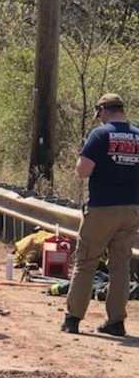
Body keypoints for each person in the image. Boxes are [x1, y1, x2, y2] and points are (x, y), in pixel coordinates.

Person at [61, 93, 139, 337]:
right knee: (120, 265)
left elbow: (83, 171)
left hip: (102, 208)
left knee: (86, 262)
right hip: (132, 209)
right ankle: (116, 321)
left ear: (104, 110)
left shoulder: (100, 134)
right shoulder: (138, 135)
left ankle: (73, 318)